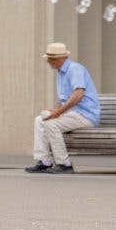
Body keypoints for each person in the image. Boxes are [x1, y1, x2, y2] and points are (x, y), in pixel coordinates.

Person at [27, 42, 100, 174]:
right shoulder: (61, 72)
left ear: (58, 59)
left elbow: (78, 94)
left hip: (85, 116)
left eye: (50, 58)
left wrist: (58, 113)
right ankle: (44, 161)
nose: (48, 61)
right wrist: (56, 111)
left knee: (51, 124)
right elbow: (66, 98)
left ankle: (64, 163)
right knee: (39, 120)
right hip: (73, 114)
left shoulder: (75, 69)